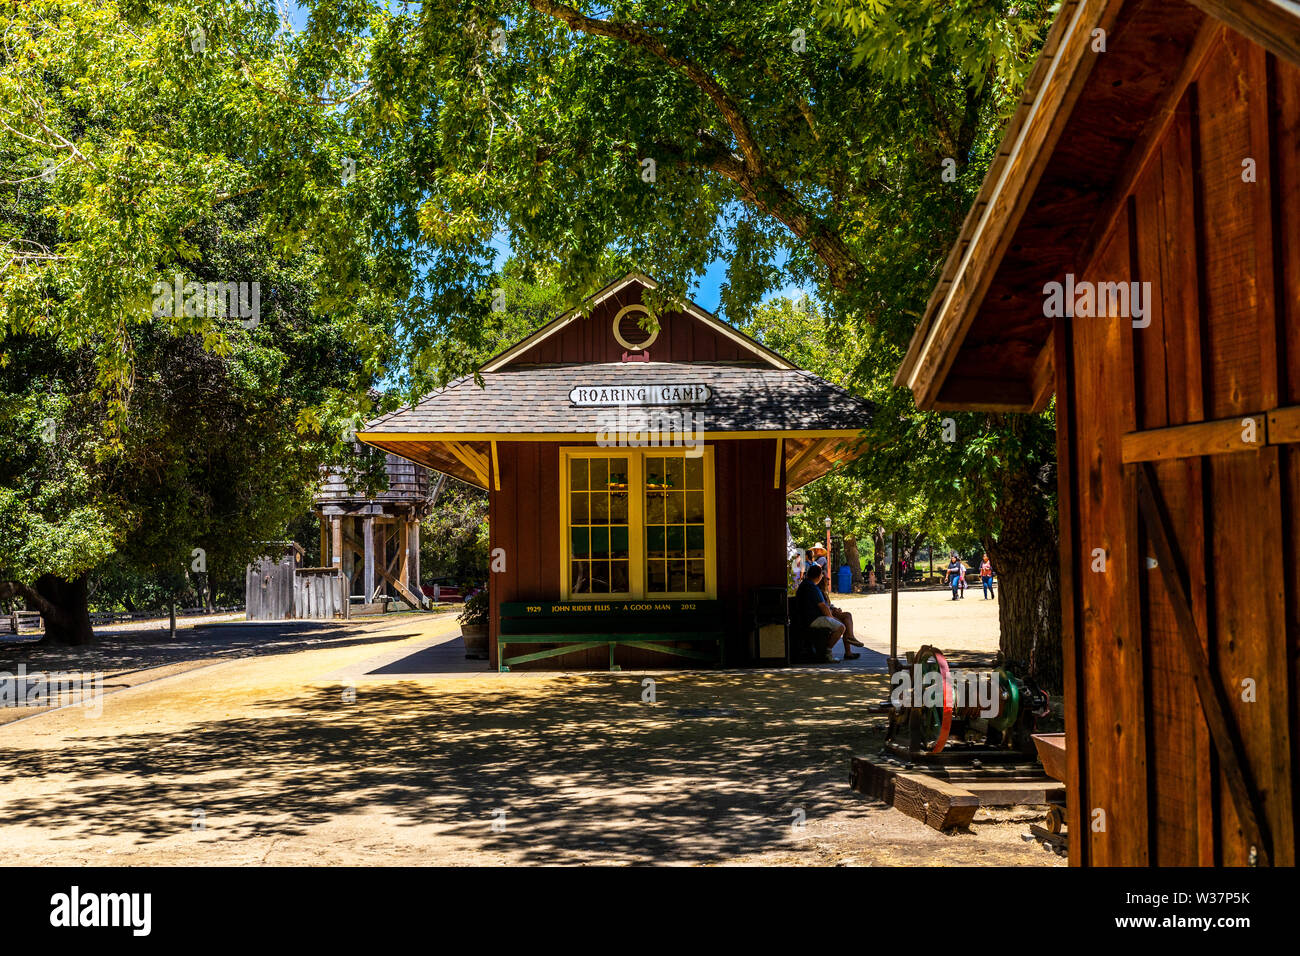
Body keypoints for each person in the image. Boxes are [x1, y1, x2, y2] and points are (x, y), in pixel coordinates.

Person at [792, 564, 863, 661]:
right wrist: (832, 618)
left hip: (809, 618)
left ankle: (848, 642)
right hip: (812, 619)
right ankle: (827, 653)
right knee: (841, 627)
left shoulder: (806, 585)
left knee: (844, 619)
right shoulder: (812, 587)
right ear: (819, 576)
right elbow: (823, 606)